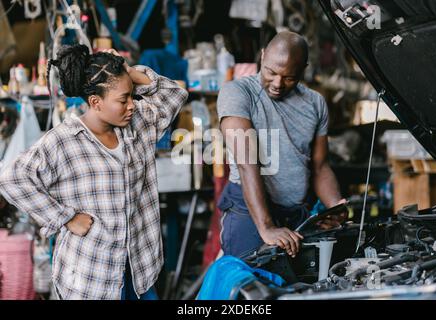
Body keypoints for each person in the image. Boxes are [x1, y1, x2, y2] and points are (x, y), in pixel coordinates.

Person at [0, 44, 188, 300]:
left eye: (132, 96)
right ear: (95, 102)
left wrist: (130, 72)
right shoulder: (64, 141)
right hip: (91, 278)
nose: (131, 105)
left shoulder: (139, 124)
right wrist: (65, 217)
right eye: (123, 100)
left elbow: (175, 93)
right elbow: (12, 179)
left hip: (140, 271)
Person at [217, 31, 346, 259]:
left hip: (297, 216)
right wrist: (266, 227)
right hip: (251, 212)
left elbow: (320, 166)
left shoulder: (315, 103)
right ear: (263, 55)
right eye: (271, 72)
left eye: (289, 77)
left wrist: (335, 206)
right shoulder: (237, 93)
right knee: (251, 286)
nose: (277, 83)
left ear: (303, 69)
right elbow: (247, 163)